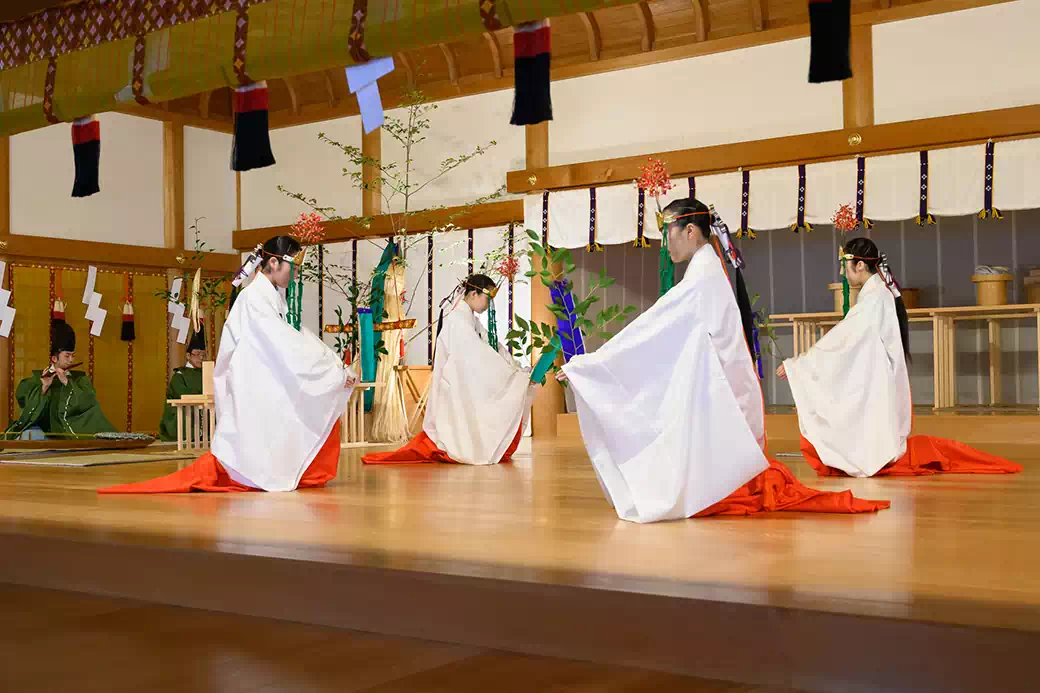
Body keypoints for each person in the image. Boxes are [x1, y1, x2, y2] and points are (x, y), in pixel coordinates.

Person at [557, 198, 889, 523]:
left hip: (723, 395)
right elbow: (658, 327)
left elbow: (652, 328)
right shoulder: (706, 269)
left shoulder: (703, 276)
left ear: (689, 231)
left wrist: (593, 366)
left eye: (667, 233)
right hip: (725, 390)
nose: (665, 244)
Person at [101, 235, 358, 493]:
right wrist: (329, 369)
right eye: (293, 266)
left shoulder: (271, 298)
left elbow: (294, 335)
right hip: (252, 382)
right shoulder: (253, 298)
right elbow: (284, 343)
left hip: (263, 377)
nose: (295, 273)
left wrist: (332, 364)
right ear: (273, 263)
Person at [777, 237, 1022, 477]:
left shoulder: (875, 296)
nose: (843, 273)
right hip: (876, 370)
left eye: (844, 266)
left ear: (860, 265)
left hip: (876, 374)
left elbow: (844, 339)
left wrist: (800, 365)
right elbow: (848, 337)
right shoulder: (877, 293)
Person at [363, 274, 534, 465]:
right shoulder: (457, 319)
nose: (488, 305)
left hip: (459, 379)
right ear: (474, 294)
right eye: (488, 298)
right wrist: (509, 373)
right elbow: (476, 353)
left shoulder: (469, 318)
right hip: (454, 382)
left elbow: (491, 346)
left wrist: (515, 367)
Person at [4, 319, 115, 439]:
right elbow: (27, 410)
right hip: (44, 432)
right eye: (67, 356)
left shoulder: (80, 380)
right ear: (54, 358)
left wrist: (67, 382)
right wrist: (44, 388)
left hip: (69, 432)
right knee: (30, 435)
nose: (71, 360)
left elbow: (89, 404)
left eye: (73, 355)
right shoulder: (37, 380)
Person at [157, 328, 206, 442]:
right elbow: (181, 393)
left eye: (203, 354)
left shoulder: (206, 373)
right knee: (187, 409)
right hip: (182, 410)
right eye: (197, 354)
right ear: (188, 356)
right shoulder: (180, 374)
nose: (201, 358)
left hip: (202, 407)